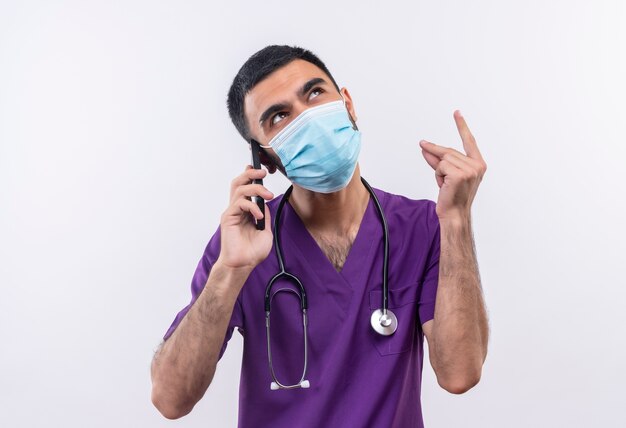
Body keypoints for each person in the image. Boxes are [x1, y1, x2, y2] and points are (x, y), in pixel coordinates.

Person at [150, 45, 489, 427]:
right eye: (279, 116)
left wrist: (457, 218)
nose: (307, 118)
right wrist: (230, 270)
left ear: (347, 104)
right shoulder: (244, 241)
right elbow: (170, 399)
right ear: (267, 157)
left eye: (314, 94)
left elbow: (459, 374)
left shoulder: (422, 226)